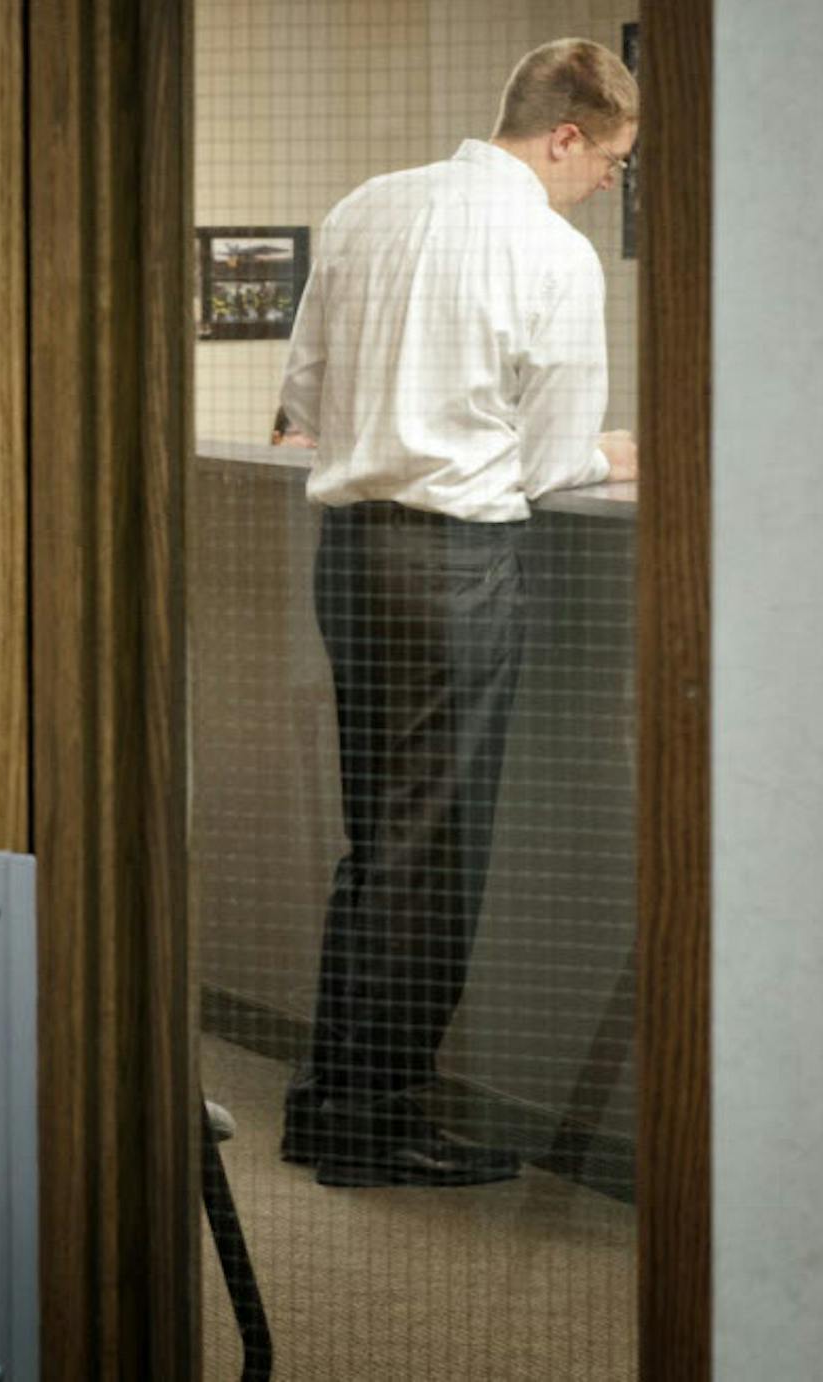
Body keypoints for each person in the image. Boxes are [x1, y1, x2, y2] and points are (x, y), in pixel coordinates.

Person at [275, 38, 640, 1188]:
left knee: (377, 842)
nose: (610, 184)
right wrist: (616, 450)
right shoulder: (552, 250)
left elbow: (302, 402)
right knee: (432, 858)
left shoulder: (367, 206)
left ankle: (329, 1104)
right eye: (614, 161)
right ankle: (375, 1123)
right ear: (567, 133)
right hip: (456, 570)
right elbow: (548, 465)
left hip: (351, 559)